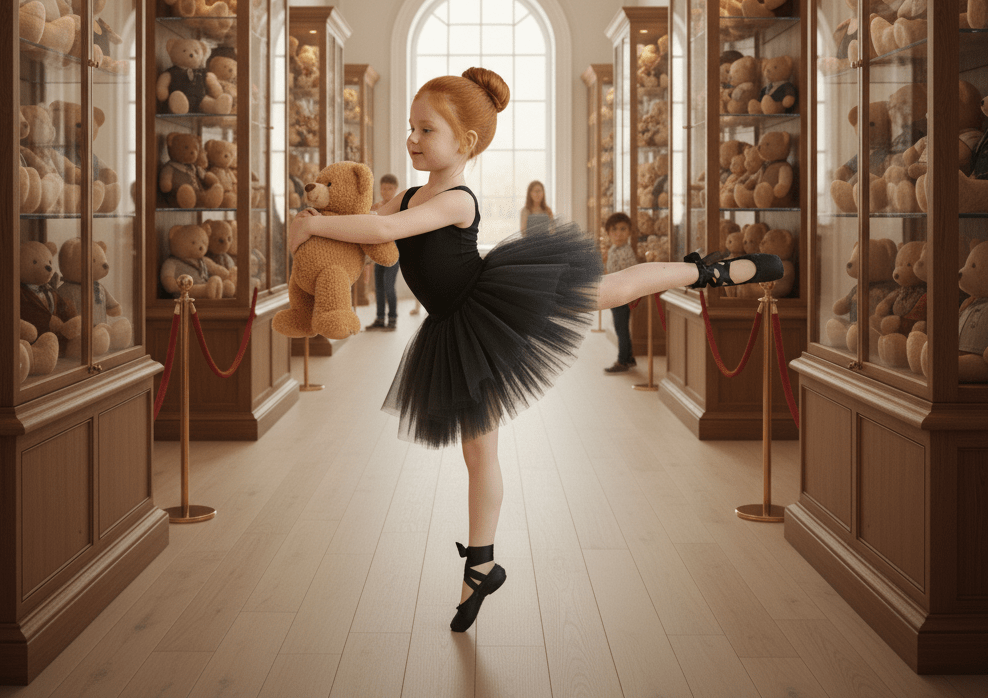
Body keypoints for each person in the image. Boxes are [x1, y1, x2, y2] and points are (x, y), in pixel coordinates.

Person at [288, 67, 782, 634]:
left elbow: (382, 232)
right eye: (410, 127)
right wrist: (316, 222)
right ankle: (482, 564)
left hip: (490, 307)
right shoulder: (408, 192)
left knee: (607, 290)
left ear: (465, 143)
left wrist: (316, 227)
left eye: (426, 130)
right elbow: (366, 223)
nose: (412, 139)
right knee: (478, 455)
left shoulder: (455, 200)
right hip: (456, 332)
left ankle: (702, 271)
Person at [601, 211, 638, 373]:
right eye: (614, 230)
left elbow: (630, 275)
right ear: (608, 233)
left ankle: (623, 360)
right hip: (614, 294)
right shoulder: (613, 250)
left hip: (622, 295)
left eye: (623, 229)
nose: (618, 234)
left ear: (630, 232)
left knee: (621, 328)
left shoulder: (625, 252)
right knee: (620, 327)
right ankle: (629, 357)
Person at [365, 173, 400, 331]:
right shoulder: (376, 208)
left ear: (395, 189)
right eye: (384, 189)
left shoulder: (398, 208)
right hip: (378, 252)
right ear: (380, 189)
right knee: (378, 285)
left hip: (393, 253)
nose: (386, 192)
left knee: (388, 285)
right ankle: (380, 318)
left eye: (390, 189)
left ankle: (392, 319)